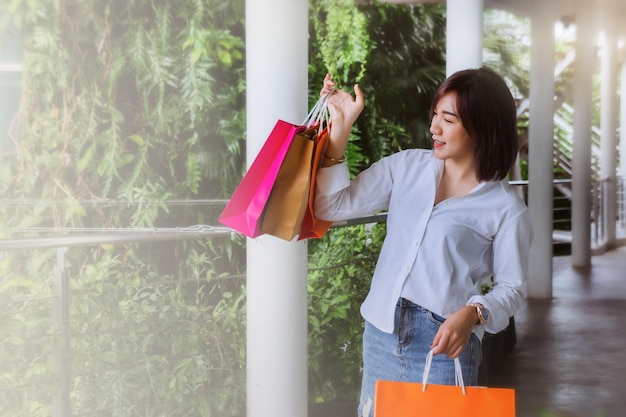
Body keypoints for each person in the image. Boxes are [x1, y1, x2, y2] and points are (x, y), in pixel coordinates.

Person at [314, 67, 533, 417]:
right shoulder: (406, 167)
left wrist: (473, 313)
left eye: (448, 119)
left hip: (445, 346)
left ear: (482, 126)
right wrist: (340, 128)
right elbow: (330, 206)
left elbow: (513, 288)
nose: (434, 127)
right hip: (382, 333)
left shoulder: (506, 208)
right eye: (435, 115)